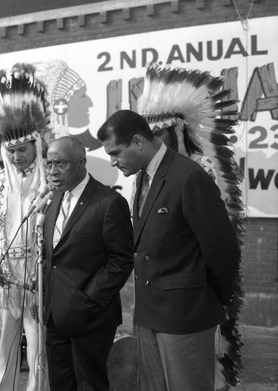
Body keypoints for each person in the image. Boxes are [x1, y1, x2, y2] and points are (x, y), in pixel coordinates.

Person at [97, 109, 240, 391]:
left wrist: (208, 300)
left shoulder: (188, 176)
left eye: (116, 153)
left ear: (138, 141)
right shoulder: (143, 178)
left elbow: (222, 250)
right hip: (149, 313)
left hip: (185, 316)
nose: (113, 162)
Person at [136, 63, 245, 389]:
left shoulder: (199, 170)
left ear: (176, 131)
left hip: (192, 299)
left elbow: (218, 244)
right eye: (149, 134)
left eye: (160, 133)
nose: (154, 141)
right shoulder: (145, 175)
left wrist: (212, 296)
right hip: (157, 303)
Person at [0, 63, 51, 391]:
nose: (18, 156)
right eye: (12, 151)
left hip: (39, 276)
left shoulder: (50, 181)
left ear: (36, 144)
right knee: (5, 346)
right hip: (5, 277)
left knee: (38, 348)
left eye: (23, 149)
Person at [42, 136, 134, 391]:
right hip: (54, 317)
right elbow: (52, 255)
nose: (52, 171)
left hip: (91, 318)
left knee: (90, 385)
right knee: (60, 385)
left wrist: (89, 299)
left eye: (60, 163)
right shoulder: (53, 200)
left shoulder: (108, 202)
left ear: (82, 163)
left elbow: (121, 260)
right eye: (49, 164)